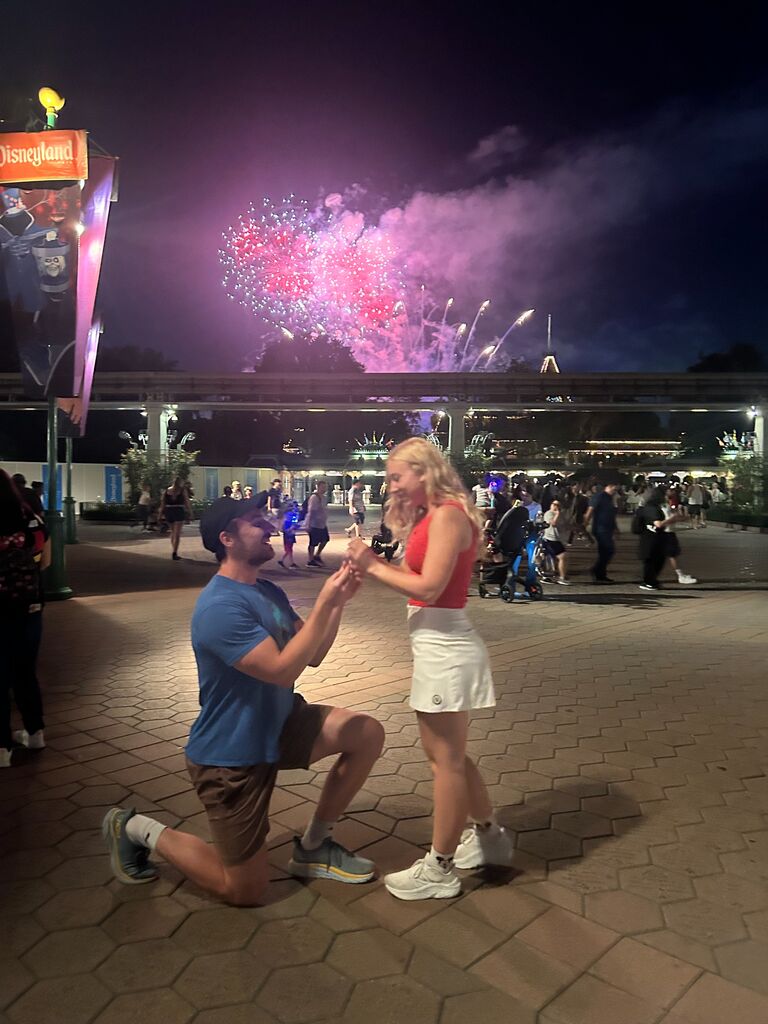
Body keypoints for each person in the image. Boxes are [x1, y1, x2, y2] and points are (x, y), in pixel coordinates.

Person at [103, 495, 384, 904]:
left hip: (281, 722)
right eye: (256, 522)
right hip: (230, 756)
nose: (270, 526)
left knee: (366, 734)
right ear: (227, 538)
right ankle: (134, 828)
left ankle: (314, 846)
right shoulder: (219, 607)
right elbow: (282, 669)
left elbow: (316, 653)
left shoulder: (267, 590)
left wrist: (336, 604)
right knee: (244, 891)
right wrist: (324, 600)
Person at [347, 438, 513, 901]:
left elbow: (430, 586)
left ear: (423, 472)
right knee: (451, 758)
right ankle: (489, 837)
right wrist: (376, 562)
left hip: (445, 647)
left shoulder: (447, 515)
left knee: (445, 762)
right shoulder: (434, 514)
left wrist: (372, 564)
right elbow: (413, 577)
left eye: (396, 475)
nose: (390, 483)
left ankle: (439, 869)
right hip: (438, 644)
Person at [1, 469, 49, 768]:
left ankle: (2, 748)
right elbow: (44, 561)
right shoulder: (31, 519)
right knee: (25, 673)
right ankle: (35, 733)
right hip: (30, 607)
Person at [637, 484, 679, 591]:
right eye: (666, 494)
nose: (667, 496)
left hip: (658, 537)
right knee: (651, 561)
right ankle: (648, 582)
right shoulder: (651, 507)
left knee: (659, 560)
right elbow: (658, 524)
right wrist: (672, 519)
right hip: (650, 538)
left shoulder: (659, 506)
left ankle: (652, 581)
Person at [585, 482, 619, 582]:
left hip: (607, 528)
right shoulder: (599, 496)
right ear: (607, 486)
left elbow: (611, 515)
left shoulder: (609, 498)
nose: (615, 489)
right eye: (613, 487)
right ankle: (597, 571)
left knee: (606, 552)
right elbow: (590, 509)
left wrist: (615, 528)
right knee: (608, 550)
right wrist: (585, 522)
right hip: (600, 528)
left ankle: (600, 574)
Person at [663, 488, 697, 585]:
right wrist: (678, 517)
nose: (672, 493)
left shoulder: (668, 505)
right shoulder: (663, 506)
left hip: (669, 532)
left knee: (672, 555)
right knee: (672, 555)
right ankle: (680, 576)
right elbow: (668, 519)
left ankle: (680, 575)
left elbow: (674, 518)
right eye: (669, 491)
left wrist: (683, 517)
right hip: (666, 532)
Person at [160, 477, 192, 560]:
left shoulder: (167, 490)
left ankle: (174, 549)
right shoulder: (182, 490)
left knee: (173, 532)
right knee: (177, 533)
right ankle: (174, 552)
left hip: (169, 511)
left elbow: (162, 503)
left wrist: (160, 514)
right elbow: (187, 501)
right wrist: (190, 512)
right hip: (178, 511)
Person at [542, 499, 571, 584]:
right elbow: (553, 523)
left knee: (558, 559)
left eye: (558, 505)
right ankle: (562, 577)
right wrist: (557, 514)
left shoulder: (561, 515)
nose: (556, 506)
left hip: (557, 539)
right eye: (554, 504)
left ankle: (558, 575)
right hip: (550, 539)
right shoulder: (548, 513)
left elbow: (565, 525)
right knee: (563, 557)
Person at [305, 480, 330, 567]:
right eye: (323, 487)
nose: (324, 489)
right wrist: (308, 524)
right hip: (314, 523)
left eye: (325, 487)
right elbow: (310, 511)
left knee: (325, 539)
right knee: (313, 542)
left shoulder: (323, 497)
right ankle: (310, 560)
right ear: (318, 487)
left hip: (321, 524)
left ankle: (317, 555)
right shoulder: (314, 497)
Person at [278, 500, 299, 569]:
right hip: (289, 532)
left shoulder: (287, 514)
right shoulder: (291, 514)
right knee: (289, 548)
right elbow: (293, 523)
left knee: (289, 548)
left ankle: (282, 560)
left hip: (288, 532)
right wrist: (291, 528)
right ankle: (291, 563)